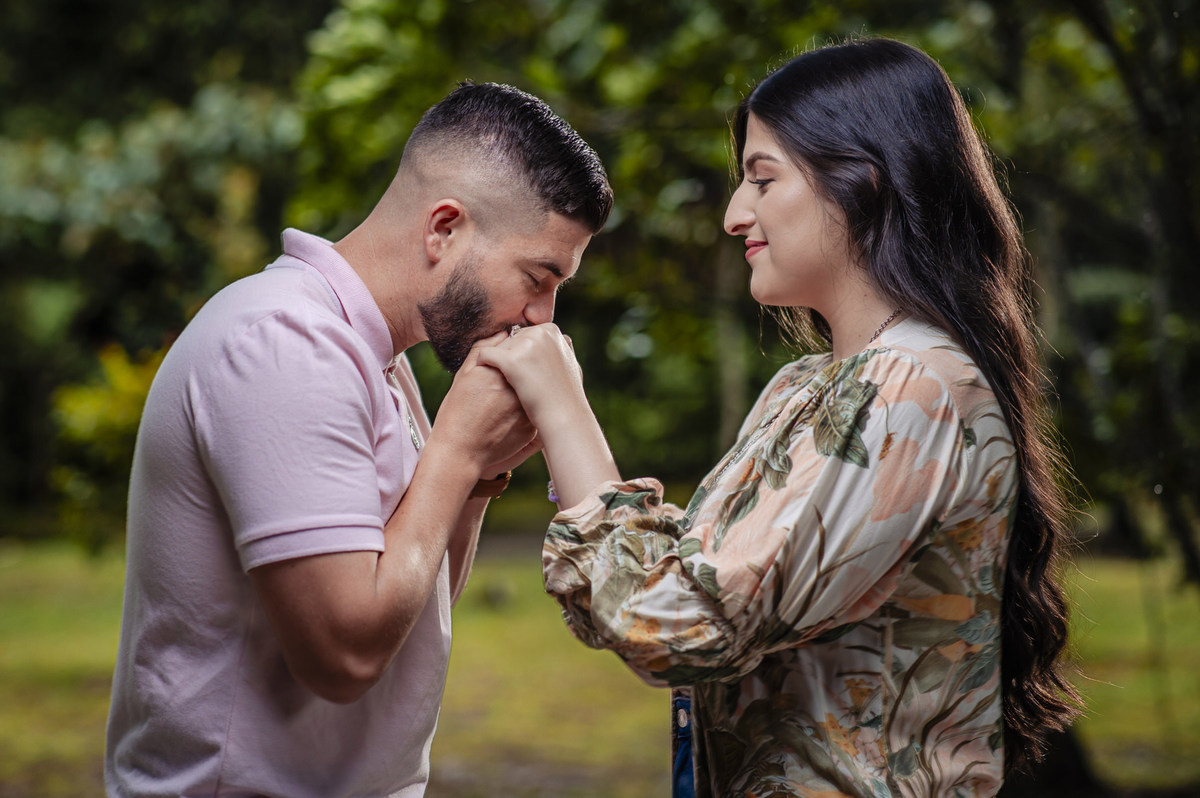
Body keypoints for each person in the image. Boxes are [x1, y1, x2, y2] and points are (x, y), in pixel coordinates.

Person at [479, 38, 1080, 797]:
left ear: (864, 182)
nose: (735, 215)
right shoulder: (809, 388)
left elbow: (677, 626)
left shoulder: (913, 388)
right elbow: (681, 585)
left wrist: (562, 407)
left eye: (763, 179)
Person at [104, 82, 612, 798]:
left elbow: (413, 603)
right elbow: (343, 654)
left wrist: (475, 479)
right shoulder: (284, 342)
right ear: (444, 228)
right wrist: (457, 451)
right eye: (538, 276)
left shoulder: (375, 357)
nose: (541, 317)